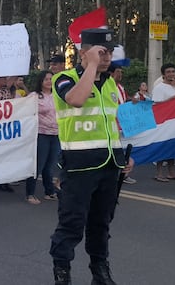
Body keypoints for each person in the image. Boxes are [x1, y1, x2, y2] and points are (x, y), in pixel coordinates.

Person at [49, 28, 133, 285]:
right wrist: (92, 66)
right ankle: (62, 271)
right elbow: (76, 99)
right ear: (84, 53)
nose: (107, 57)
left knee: (101, 224)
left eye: (109, 52)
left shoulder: (111, 84)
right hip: (80, 166)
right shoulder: (63, 79)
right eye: (101, 52)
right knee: (72, 223)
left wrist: (126, 154)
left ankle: (100, 270)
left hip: (110, 165)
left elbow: (117, 123)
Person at [25, 71, 59, 205]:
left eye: (51, 79)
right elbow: (25, 111)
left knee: (50, 166)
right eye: (46, 79)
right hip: (41, 133)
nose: (49, 82)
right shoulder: (34, 96)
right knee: (38, 165)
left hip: (56, 134)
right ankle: (30, 193)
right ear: (41, 81)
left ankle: (49, 191)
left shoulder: (56, 95)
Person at [151, 63, 175, 182]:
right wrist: (172, 99)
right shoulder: (159, 87)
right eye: (168, 72)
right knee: (163, 146)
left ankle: (172, 172)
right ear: (163, 74)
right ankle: (159, 172)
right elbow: (156, 104)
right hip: (164, 121)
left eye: (173, 71)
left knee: (173, 146)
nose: (171, 74)